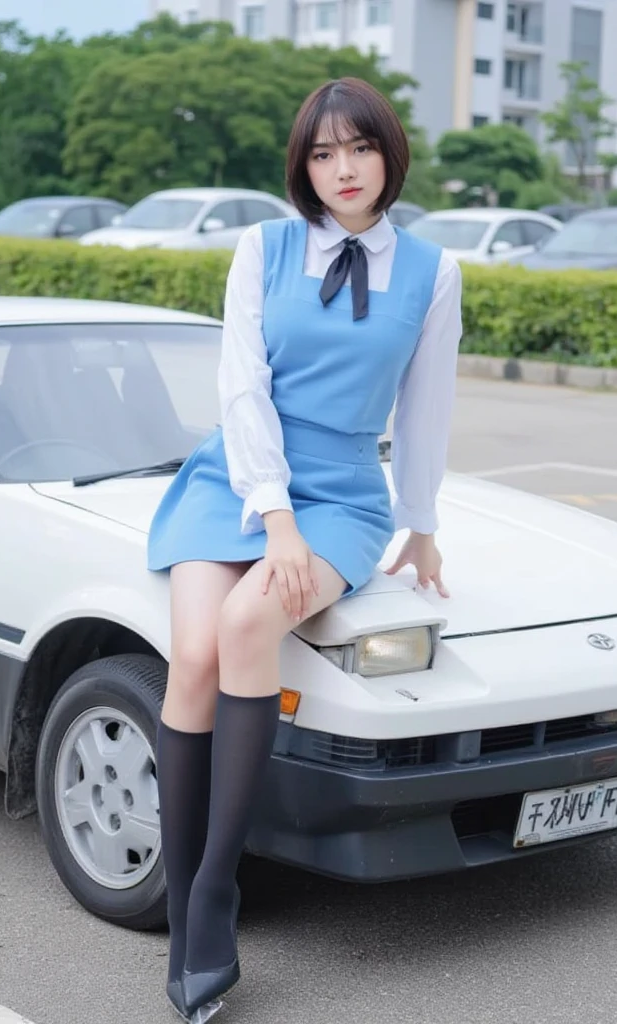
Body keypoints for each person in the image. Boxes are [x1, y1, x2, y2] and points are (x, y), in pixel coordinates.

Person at [147, 76, 462, 1022]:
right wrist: (271, 514)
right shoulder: (264, 246)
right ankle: (184, 890)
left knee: (249, 624)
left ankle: (216, 892)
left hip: (344, 499)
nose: (342, 170)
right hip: (237, 481)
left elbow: (427, 409)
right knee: (193, 654)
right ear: (303, 166)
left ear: (387, 153)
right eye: (321, 154)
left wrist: (423, 522)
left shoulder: (433, 270)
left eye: (357, 148)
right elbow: (240, 385)